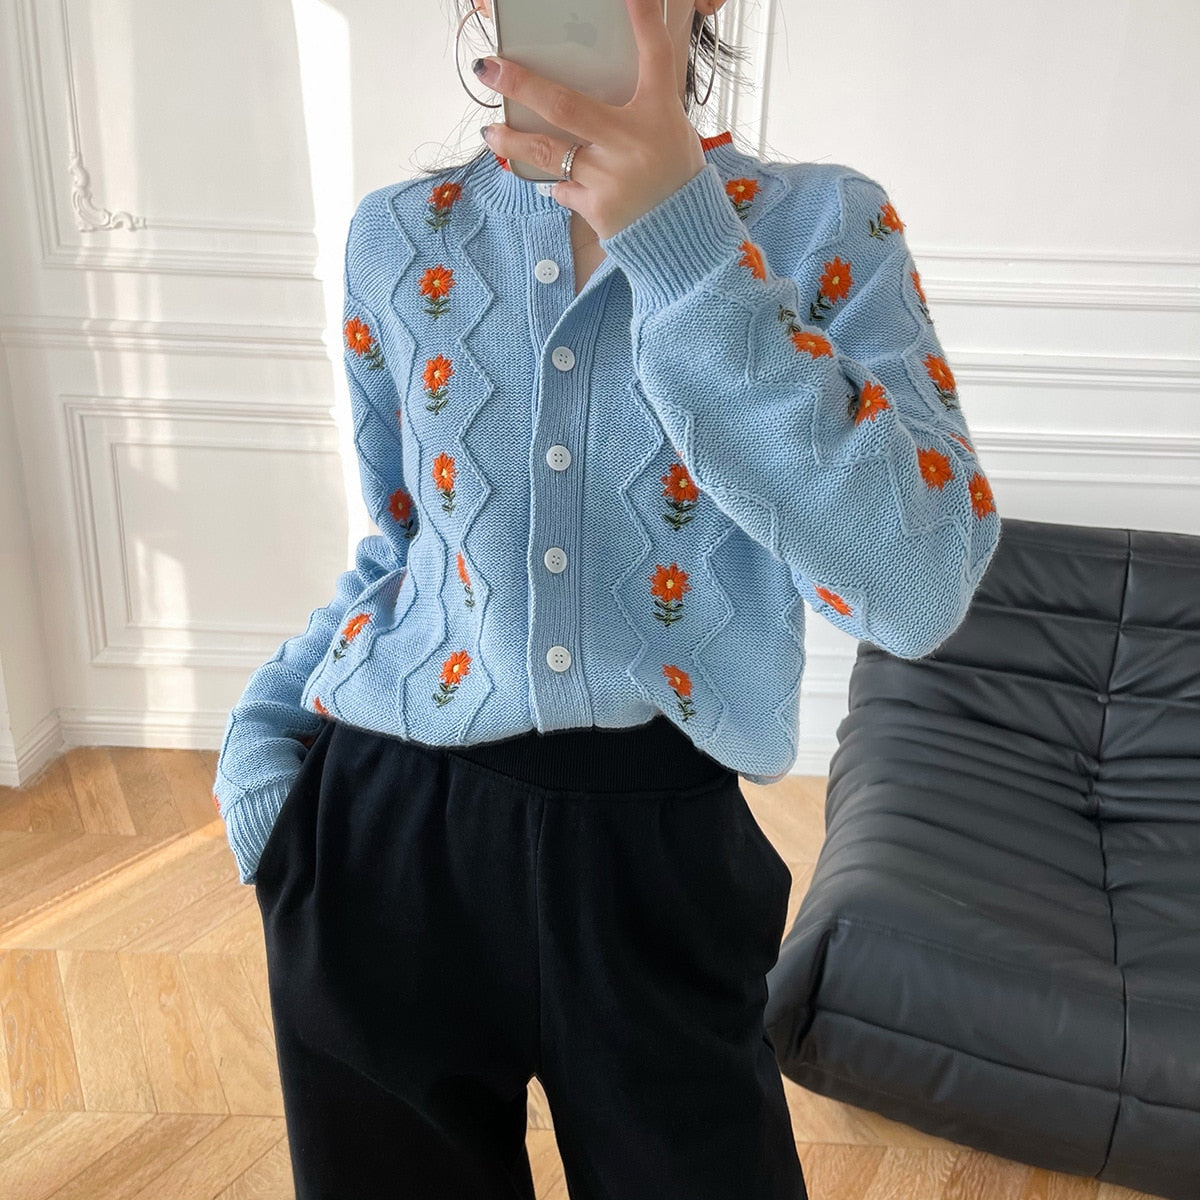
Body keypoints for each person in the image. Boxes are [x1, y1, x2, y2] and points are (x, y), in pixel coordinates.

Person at [212, 0, 1001, 1195]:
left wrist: (684, 246)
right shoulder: (400, 239)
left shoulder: (826, 228)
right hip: (385, 845)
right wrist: (268, 745)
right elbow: (408, 549)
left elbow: (920, 587)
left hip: (664, 863)